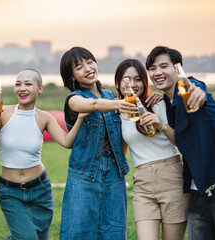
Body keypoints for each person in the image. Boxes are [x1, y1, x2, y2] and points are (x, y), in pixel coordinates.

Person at [0, 68, 87, 240]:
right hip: (10, 191)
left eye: (28, 84)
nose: (22, 88)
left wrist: (81, 117)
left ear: (40, 89)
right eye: (18, 84)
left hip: (40, 189)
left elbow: (67, 142)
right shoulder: (2, 111)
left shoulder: (44, 117)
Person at [58, 47, 162, 239]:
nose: (88, 68)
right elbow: (93, 105)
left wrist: (155, 95)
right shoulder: (74, 99)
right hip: (84, 174)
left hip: (114, 173)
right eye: (79, 67)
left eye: (90, 62)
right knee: (78, 231)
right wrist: (119, 104)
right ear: (71, 76)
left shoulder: (111, 96)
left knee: (113, 231)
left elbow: (124, 134)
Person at [146, 46, 215, 240]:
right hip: (197, 187)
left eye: (164, 66)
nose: (158, 72)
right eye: (152, 68)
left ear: (177, 68)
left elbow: (197, 91)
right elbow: (179, 139)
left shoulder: (190, 88)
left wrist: (199, 93)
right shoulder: (166, 104)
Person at [114, 58, 190, 240]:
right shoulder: (117, 110)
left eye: (137, 79)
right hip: (143, 183)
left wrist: (160, 124)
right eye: (126, 80)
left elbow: (180, 142)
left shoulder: (159, 103)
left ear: (144, 80)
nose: (132, 84)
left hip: (172, 178)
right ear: (118, 83)